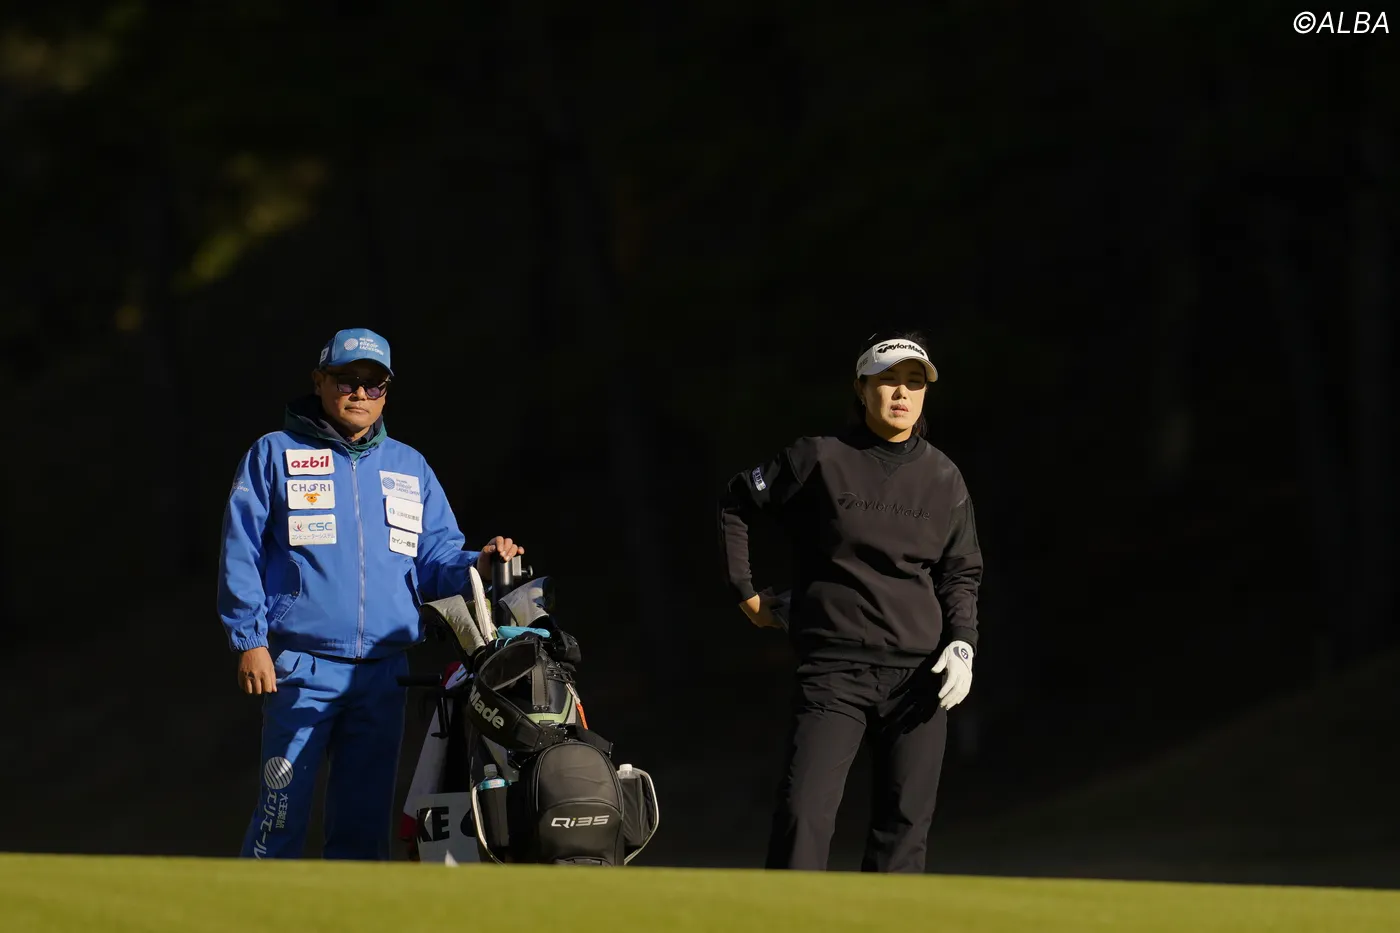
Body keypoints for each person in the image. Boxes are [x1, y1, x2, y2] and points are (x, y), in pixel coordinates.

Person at [217, 326, 525, 860]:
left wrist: (479, 562)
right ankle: (258, 902)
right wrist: (250, 640)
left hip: (384, 672)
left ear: (386, 392)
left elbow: (437, 557)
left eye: (373, 383)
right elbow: (238, 551)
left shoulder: (409, 466)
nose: (360, 393)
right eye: (346, 379)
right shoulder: (273, 453)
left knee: (363, 824)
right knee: (281, 813)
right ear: (319, 381)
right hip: (300, 667)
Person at [717, 328, 984, 873]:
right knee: (804, 814)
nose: (901, 392)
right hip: (833, 671)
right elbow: (737, 502)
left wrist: (962, 643)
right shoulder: (820, 456)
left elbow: (961, 571)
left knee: (904, 827)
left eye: (914, 382)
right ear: (861, 389)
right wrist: (745, 592)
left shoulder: (944, 477)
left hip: (918, 678)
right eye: (888, 380)